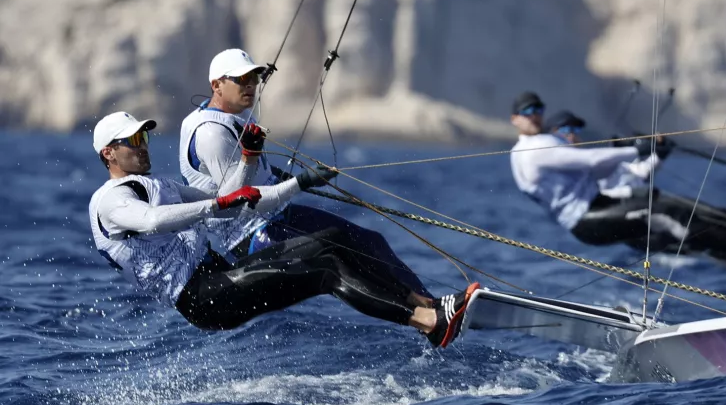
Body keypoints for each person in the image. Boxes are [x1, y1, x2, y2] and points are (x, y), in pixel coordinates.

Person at [90, 111, 478, 348]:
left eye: (144, 137)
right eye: (133, 140)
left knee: (335, 240)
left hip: (220, 277)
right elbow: (153, 221)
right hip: (202, 298)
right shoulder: (109, 200)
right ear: (109, 152)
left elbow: (233, 204)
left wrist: (286, 177)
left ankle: (428, 308)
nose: (143, 146)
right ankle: (427, 322)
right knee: (325, 268)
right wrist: (216, 203)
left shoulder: (163, 186)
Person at [179, 48, 431, 297]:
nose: (251, 85)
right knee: (339, 257)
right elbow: (239, 202)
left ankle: (434, 306)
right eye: (242, 79)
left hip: (276, 217)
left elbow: (252, 172)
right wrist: (301, 182)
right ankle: (426, 316)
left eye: (255, 77)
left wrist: (287, 177)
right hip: (250, 239)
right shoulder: (211, 134)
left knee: (371, 242)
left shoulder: (237, 115)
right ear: (217, 85)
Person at [510, 92, 726, 272]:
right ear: (515, 120)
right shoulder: (532, 150)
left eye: (538, 109)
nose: (534, 115)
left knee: (684, 211)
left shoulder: (545, 145)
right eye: (527, 112)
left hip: (601, 208)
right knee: (667, 214)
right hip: (586, 220)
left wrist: (655, 152)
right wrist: (637, 148)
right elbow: (593, 163)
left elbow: (599, 170)